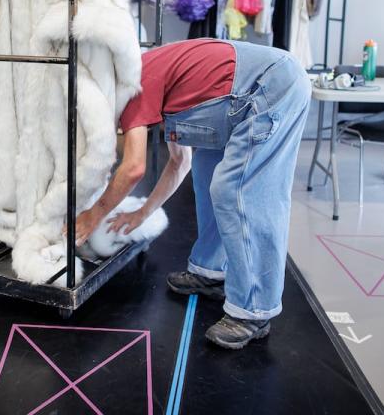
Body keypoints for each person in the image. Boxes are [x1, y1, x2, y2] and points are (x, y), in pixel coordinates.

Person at [74, 38, 311, 349]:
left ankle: (253, 311)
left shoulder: (131, 88)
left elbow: (133, 168)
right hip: (237, 100)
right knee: (205, 172)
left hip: (271, 87)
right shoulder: (155, 88)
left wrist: (94, 214)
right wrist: (141, 213)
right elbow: (178, 162)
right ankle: (210, 272)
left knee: (236, 191)